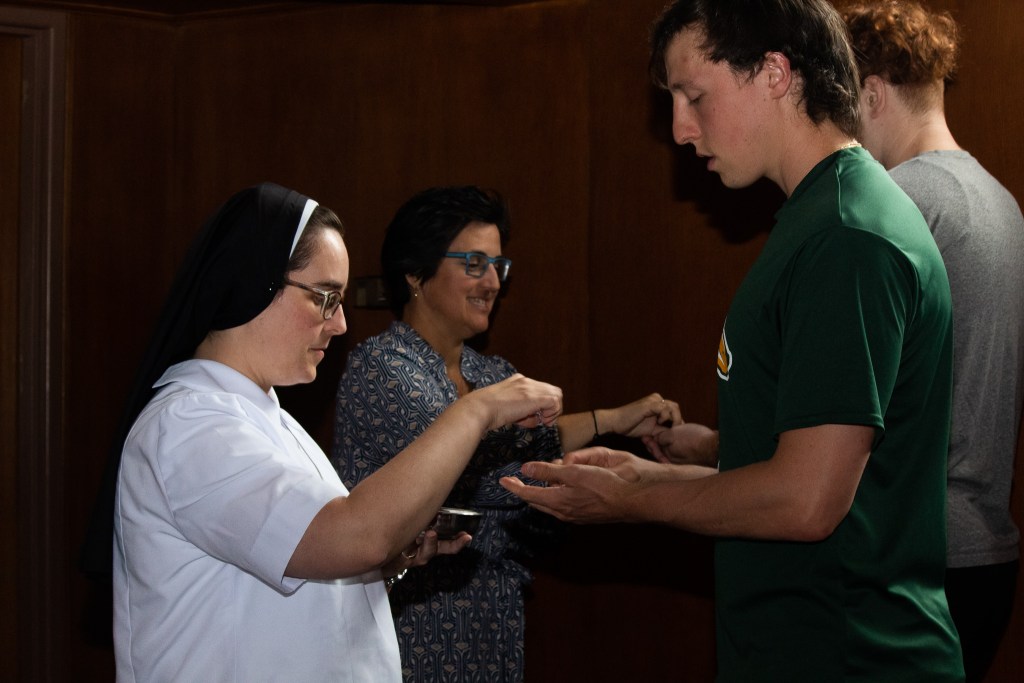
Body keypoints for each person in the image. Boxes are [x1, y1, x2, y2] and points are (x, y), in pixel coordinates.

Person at [501, 1, 966, 680]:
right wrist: (647, 474)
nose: (681, 130)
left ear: (776, 73)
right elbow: (801, 465)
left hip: (852, 654)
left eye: (694, 96)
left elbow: (807, 499)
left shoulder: (847, 235)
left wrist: (630, 501)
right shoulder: (818, 216)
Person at [81, 182, 562, 682]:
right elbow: (356, 533)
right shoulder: (190, 425)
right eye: (325, 298)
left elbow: (313, 565)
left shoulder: (271, 418)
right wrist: (475, 412)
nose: (339, 324)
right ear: (257, 282)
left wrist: (390, 561)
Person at [333, 184, 680, 683]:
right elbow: (493, 474)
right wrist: (624, 465)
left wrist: (612, 422)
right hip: (414, 626)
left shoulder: (491, 372)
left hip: (492, 622)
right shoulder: (384, 370)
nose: (493, 282)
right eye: (474, 263)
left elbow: (522, 449)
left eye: (499, 266)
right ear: (415, 272)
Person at [841, 3, 1024, 680]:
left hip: (912, 560)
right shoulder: (1001, 202)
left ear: (872, 92)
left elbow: (860, 403)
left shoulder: (895, 201)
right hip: (987, 557)